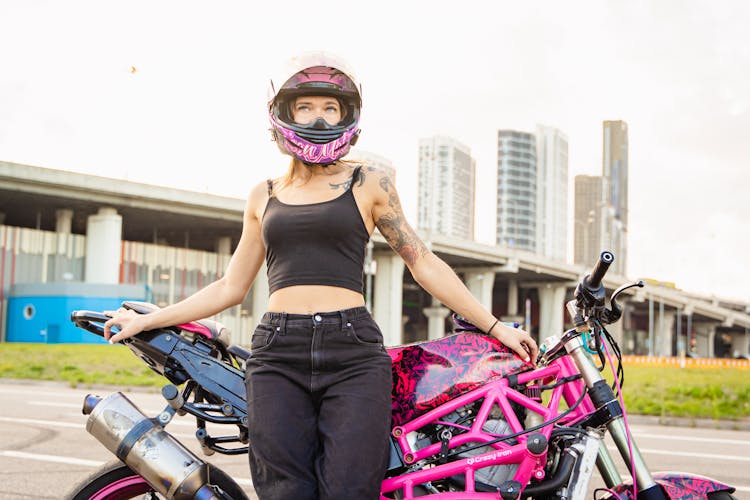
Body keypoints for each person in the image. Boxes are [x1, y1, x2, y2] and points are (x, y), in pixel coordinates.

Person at [103, 51, 538, 500]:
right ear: (286, 114)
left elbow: (421, 260)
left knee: (351, 489)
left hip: (353, 354)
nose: (319, 117)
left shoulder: (370, 182)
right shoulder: (263, 194)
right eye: (307, 106)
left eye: (331, 108)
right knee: (284, 491)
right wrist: (151, 319)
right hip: (277, 353)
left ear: (346, 117)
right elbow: (231, 286)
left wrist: (494, 325)